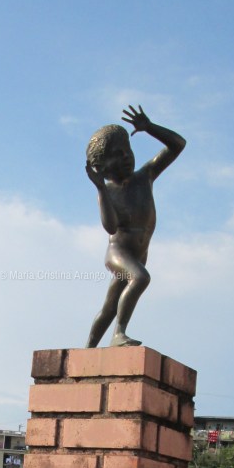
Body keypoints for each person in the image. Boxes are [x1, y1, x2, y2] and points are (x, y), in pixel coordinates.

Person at [85, 105, 186, 347]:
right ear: (102, 168)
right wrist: (100, 188)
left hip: (139, 253)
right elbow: (110, 227)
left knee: (110, 306)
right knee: (140, 278)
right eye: (117, 155)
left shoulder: (145, 177)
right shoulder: (109, 192)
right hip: (118, 252)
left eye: (127, 150)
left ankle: (87, 349)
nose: (126, 156)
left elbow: (178, 145)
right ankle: (118, 334)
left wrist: (149, 127)